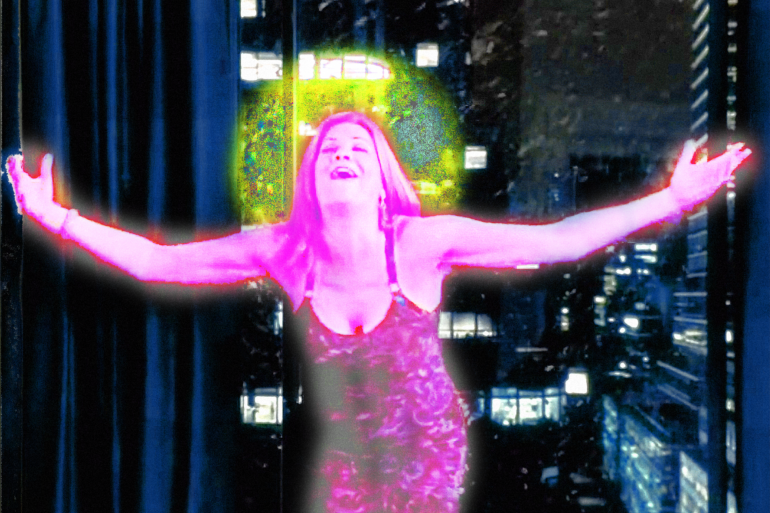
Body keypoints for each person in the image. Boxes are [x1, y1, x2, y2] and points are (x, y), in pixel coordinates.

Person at [5, 111, 751, 512]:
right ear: (311, 176)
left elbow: (559, 241)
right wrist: (54, 218)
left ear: (381, 177)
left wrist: (671, 202)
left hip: (429, 456)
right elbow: (159, 262)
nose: (343, 154)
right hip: (346, 465)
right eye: (330, 148)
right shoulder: (285, 250)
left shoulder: (420, 244)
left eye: (359, 148)